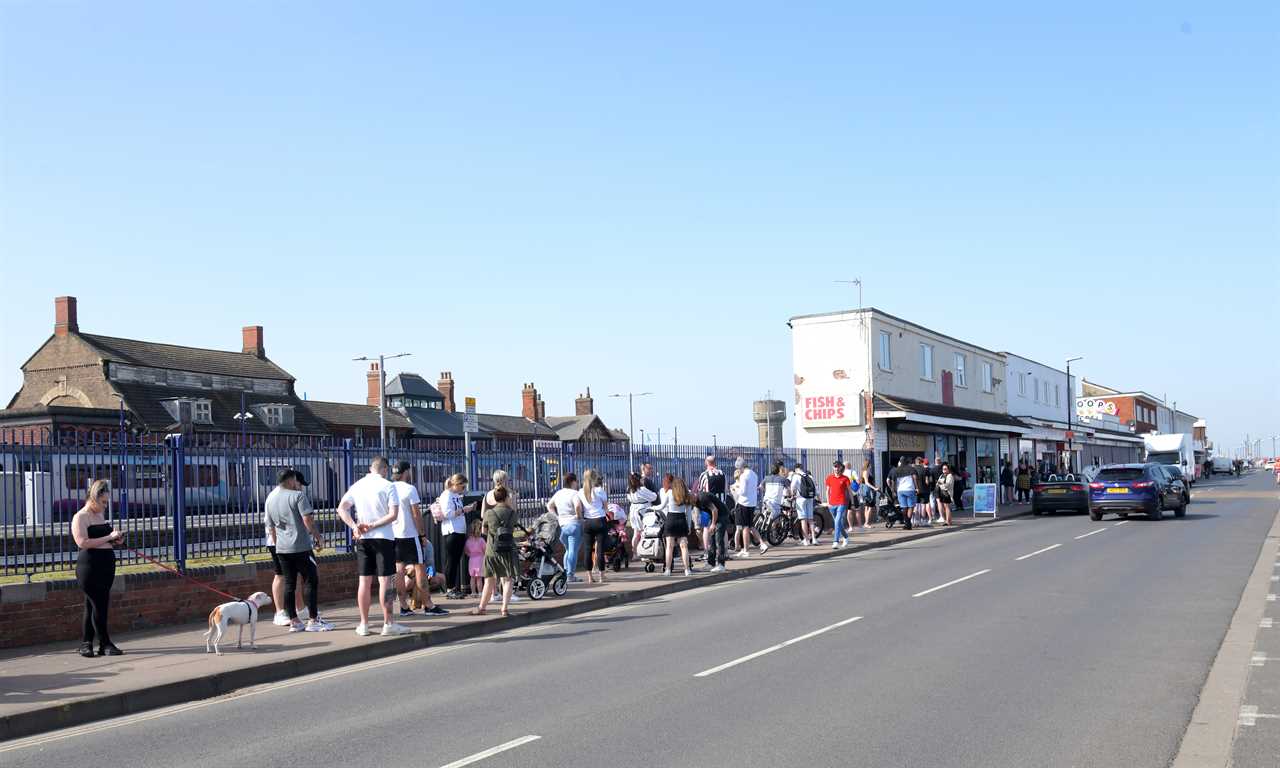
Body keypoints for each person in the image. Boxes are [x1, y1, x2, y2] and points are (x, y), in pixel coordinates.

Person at [337, 456, 408, 637]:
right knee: (386, 581)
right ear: (384, 470)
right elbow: (393, 515)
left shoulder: (358, 485)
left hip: (363, 538)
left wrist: (355, 526)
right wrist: (373, 525)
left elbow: (341, 508)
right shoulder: (388, 485)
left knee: (364, 581)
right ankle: (388, 623)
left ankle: (364, 624)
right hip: (383, 538)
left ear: (370, 468)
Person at [264, 469, 332, 633]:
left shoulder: (270, 498)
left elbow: (270, 526)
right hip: (300, 546)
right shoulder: (298, 496)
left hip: (281, 548)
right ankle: (313, 620)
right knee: (311, 580)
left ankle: (294, 621)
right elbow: (307, 519)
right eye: (296, 481)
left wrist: (278, 543)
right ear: (291, 480)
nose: (298, 484)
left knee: (289, 583)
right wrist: (318, 537)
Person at [72, 479, 124, 657]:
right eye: (103, 502)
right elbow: (82, 542)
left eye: (106, 502)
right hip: (89, 566)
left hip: (105, 564)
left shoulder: (99, 516)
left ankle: (86, 643)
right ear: (93, 498)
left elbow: (103, 538)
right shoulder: (81, 517)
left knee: (91, 605)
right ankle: (105, 643)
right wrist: (108, 536)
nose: (105, 506)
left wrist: (115, 540)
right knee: (99, 604)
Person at [389, 461, 428, 618]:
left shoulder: (389, 488)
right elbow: (416, 514)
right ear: (406, 472)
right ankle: (428, 604)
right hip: (410, 534)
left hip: (393, 535)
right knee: (420, 568)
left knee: (399, 570)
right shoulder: (410, 489)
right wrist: (422, 535)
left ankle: (403, 606)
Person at [474, 487, 518, 617]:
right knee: (507, 579)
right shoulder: (512, 513)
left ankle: (482, 607)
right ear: (506, 498)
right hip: (508, 549)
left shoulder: (489, 513)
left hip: (492, 550)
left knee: (489, 580)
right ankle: (504, 608)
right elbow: (513, 530)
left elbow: (484, 532)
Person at [435, 473, 471, 599]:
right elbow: (448, 513)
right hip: (451, 531)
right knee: (451, 560)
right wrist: (463, 510)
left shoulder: (456, 495)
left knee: (455, 560)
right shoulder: (447, 495)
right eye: (462, 486)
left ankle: (453, 587)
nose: (464, 489)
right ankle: (449, 588)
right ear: (456, 484)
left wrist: (464, 509)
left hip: (459, 530)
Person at [548, 472, 584, 583]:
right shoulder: (575, 493)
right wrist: (579, 516)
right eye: (577, 481)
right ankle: (570, 575)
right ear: (573, 482)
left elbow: (549, 505)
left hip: (562, 525)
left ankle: (565, 572)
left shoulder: (558, 493)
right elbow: (577, 506)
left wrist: (557, 517)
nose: (577, 483)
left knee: (568, 550)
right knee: (573, 550)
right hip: (574, 524)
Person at [579, 468, 611, 583]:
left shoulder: (580, 491)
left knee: (587, 549)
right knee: (600, 550)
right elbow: (606, 508)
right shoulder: (599, 490)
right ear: (594, 478)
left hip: (587, 522)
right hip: (599, 520)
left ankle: (589, 576)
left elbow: (579, 507)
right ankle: (602, 576)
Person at [731, 457, 768, 557]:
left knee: (745, 528)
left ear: (741, 467)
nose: (738, 471)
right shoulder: (753, 474)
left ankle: (746, 550)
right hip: (752, 503)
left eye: (738, 469)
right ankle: (762, 544)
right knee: (751, 526)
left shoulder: (743, 476)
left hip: (743, 503)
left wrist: (735, 489)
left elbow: (742, 491)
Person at [695, 490, 731, 571]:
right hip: (714, 516)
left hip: (722, 515)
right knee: (712, 540)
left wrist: (713, 524)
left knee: (719, 539)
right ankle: (711, 563)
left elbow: (714, 510)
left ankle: (721, 565)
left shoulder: (702, 498)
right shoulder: (695, 502)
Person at [626, 472, 658, 551]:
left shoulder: (629, 490)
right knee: (644, 532)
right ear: (639, 480)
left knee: (636, 533)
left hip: (633, 511)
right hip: (642, 512)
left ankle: (635, 553)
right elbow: (654, 497)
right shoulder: (641, 489)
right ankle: (643, 551)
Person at [825, 461, 853, 549]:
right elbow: (827, 491)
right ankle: (846, 537)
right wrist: (828, 502)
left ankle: (835, 541)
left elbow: (849, 491)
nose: (836, 468)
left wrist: (852, 503)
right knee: (839, 524)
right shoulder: (829, 477)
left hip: (841, 503)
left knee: (837, 522)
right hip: (832, 504)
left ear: (841, 468)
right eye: (835, 467)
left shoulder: (845, 478)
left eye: (837, 467)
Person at [789, 462, 817, 545]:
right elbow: (815, 487)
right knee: (810, 519)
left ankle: (806, 540)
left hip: (800, 499)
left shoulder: (796, 476)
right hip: (810, 498)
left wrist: (792, 495)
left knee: (803, 520)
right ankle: (814, 539)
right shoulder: (809, 476)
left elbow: (792, 487)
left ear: (795, 469)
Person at [889, 457, 918, 531]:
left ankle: (907, 524)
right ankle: (908, 523)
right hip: (910, 489)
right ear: (906, 461)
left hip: (900, 490)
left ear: (900, 462)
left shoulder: (896, 470)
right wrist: (917, 487)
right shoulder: (911, 469)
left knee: (904, 507)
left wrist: (893, 491)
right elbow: (915, 478)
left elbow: (892, 481)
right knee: (911, 507)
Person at [761, 461, 789, 526]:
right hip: (775, 502)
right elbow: (789, 490)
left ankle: (762, 525)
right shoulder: (782, 479)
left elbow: (760, 486)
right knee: (775, 519)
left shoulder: (766, 477)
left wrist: (765, 491)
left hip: (766, 500)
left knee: (765, 514)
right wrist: (790, 495)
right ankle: (773, 532)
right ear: (778, 470)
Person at [464, 519, 486, 597]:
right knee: (479, 578)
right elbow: (485, 550)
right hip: (480, 559)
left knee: (472, 577)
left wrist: (471, 554)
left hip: (471, 560)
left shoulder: (468, 541)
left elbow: (466, 551)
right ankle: (480, 592)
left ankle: (473, 592)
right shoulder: (481, 540)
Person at [859, 459, 877, 529]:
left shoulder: (865, 471)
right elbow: (866, 482)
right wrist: (874, 488)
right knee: (870, 507)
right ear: (869, 464)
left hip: (866, 491)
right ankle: (867, 523)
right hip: (868, 491)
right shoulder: (866, 472)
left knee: (867, 507)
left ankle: (866, 523)